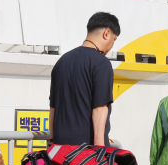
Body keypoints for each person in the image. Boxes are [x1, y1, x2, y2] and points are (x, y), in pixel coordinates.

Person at [49, 12, 119, 147]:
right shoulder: (101, 63)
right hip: (86, 153)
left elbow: (53, 108)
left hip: (59, 151)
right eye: (114, 39)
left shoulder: (62, 62)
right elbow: (100, 108)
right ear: (106, 33)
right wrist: (99, 149)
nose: (111, 46)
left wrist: (51, 142)